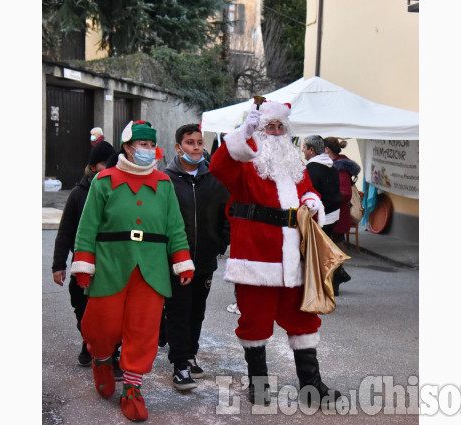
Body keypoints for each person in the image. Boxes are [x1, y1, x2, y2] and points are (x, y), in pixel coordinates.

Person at [209, 100, 341, 407]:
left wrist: (311, 201)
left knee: (303, 320)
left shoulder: (295, 164)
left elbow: (309, 189)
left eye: (281, 127)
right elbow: (218, 166)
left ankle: (311, 385)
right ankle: (259, 384)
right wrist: (244, 132)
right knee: (255, 323)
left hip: (294, 258)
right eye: (271, 126)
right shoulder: (244, 165)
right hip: (256, 258)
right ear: (260, 130)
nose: (277, 132)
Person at [71, 120, 195, 421]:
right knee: (102, 325)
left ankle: (132, 390)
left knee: (144, 330)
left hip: (151, 269)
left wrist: (181, 258)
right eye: (143, 145)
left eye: (152, 145)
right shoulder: (104, 181)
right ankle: (101, 357)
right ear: (128, 147)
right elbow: (87, 226)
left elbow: (175, 226)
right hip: (110, 264)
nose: (148, 150)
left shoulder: (163, 184)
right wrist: (84, 262)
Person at [162, 124, 230, 391]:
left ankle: (190, 353)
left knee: (197, 311)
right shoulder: (165, 179)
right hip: (177, 261)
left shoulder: (214, 179)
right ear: (179, 147)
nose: (197, 147)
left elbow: (227, 212)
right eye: (190, 143)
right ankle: (179, 364)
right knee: (178, 311)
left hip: (205, 259)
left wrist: (220, 243)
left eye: (200, 142)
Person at [51, 141, 123, 376]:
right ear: (93, 166)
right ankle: (88, 341)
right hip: (85, 265)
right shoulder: (79, 193)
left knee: (113, 311)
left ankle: (113, 353)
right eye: (104, 163)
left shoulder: (118, 189)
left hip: (113, 265)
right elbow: (66, 231)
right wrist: (58, 264)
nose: (108, 167)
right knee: (82, 307)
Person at [302, 135, 346, 296]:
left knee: (316, 254)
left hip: (322, 216)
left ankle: (320, 287)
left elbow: (309, 194)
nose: (302, 150)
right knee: (324, 251)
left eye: (304, 147)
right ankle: (334, 278)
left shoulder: (313, 168)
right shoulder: (330, 165)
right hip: (333, 214)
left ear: (312, 150)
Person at [324, 137, 362, 289]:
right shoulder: (333, 165)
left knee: (336, 247)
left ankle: (336, 279)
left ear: (327, 149)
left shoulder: (340, 168)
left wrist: (327, 196)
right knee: (332, 246)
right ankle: (339, 276)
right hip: (333, 212)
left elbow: (345, 193)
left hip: (339, 214)